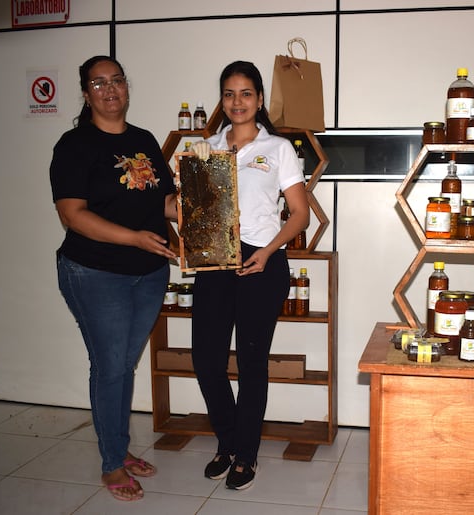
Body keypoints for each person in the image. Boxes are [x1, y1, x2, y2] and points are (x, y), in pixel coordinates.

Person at [50, 55, 179, 502]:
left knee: (124, 364)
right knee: (109, 367)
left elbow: (165, 203)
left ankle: (120, 450)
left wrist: (212, 214)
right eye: (98, 83)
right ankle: (111, 464)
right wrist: (134, 239)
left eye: (117, 81)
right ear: (86, 94)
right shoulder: (74, 145)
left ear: (127, 87)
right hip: (94, 272)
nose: (109, 89)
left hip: (147, 273)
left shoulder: (143, 140)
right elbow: (72, 215)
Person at [189, 60, 309, 490]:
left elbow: (299, 214)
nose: (237, 102)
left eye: (245, 94)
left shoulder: (278, 149)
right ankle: (228, 440)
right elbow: (193, 209)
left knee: (251, 362)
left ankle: (247, 454)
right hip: (216, 261)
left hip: (262, 260)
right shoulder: (206, 148)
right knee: (206, 359)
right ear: (222, 101)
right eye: (228, 94)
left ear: (259, 99)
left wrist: (269, 251)